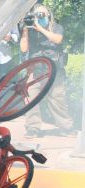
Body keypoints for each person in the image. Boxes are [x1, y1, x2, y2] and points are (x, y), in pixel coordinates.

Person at [21, 3, 74, 138]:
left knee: (57, 99)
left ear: (48, 15)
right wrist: (26, 30)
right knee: (31, 98)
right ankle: (33, 128)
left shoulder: (56, 27)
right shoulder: (30, 29)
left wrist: (40, 29)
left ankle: (65, 127)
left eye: (42, 15)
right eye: (37, 15)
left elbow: (58, 39)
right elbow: (23, 49)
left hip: (54, 69)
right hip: (35, 68)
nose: (39, 17)